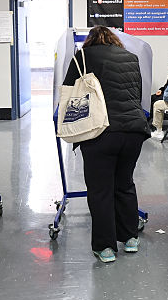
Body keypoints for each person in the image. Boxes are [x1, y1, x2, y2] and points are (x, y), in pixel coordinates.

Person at [61, 26, 150, 263]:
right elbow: (138, 94)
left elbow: (69, 91)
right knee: (124, 184)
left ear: (90, 40)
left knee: (100, 190)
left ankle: (106, 248)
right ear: (114, 40)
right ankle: (130, 238)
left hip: (100, 130)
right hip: (134, 130)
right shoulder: (132, 57)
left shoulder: (82, 56)